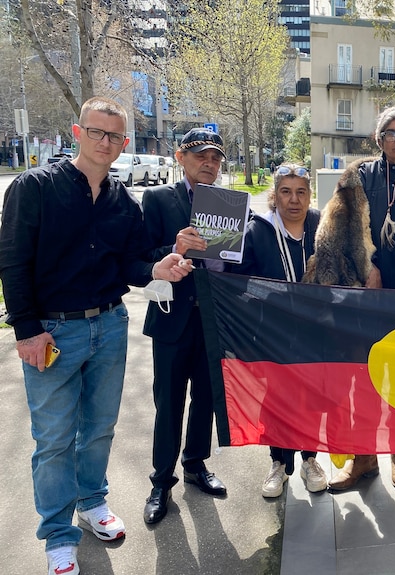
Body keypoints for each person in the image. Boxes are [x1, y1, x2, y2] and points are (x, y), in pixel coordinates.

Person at [0, 96, 192, 575]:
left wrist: (156, 266)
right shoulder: (34, 187)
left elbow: (128, 262)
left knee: (100, 426)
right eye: (97, 132)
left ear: (124, 142)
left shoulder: (121, 200)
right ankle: (57, 536)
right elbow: (13, 261)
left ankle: (91, 502)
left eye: (115, 136)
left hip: (108, 326)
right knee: (54, 439)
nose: (106, 142)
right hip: (51, 331)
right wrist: (26, 329)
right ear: (77, 131)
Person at [304, 106, 395, 491]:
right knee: (361, 379)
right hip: (362, 299)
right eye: (392, 132)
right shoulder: (356, 178)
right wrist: (365, 269)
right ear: (379, 139)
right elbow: (333, 236)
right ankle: (363, 459)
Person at [140, 128, 229, 526]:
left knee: (207, 399)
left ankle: (196, 464)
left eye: (215, 159)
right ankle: (161, 481)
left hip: (212, 318)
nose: (209, 164)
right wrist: (174, 250)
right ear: (181, 157)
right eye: (200, 157)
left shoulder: (229, 204)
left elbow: (235, 261)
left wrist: (231, 254)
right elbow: (141, 257)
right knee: (169, 402)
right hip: (172, 318)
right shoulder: (158, 198)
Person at [232, 164, 328, 497]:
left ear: (309, 195)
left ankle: (310, 459)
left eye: (301, 191)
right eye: (285, 192)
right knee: (275, 399)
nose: (294, 200)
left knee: (311, 399)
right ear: (275, 195)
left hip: (315, 332)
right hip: (272, 331)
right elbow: (238, 280)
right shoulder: (258, 230)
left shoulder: (321, 226)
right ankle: (277, 463)